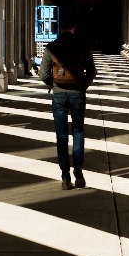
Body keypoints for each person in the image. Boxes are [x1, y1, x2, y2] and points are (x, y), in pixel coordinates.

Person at [39, 14, 96, 190]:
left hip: (59, 95)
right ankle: (78, 168)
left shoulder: (51, 47)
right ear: (74, 28)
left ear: (60, 28)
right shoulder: (83, 45)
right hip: (78, 93)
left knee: (61, 136)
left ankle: (65, 177)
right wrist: (83, 85)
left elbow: (43, 74)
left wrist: (54, 84)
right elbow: (92, 72)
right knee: (78, 131)